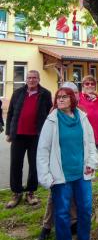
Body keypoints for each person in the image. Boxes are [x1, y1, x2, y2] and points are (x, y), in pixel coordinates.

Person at [37, 87, 98, 240]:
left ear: (72, 99)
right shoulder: (52, 120)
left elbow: (90, 142)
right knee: (62, 212)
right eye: (58, 97)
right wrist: (46, 177)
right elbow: (43, 150)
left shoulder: (82, 117)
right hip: (61, 176)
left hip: (82, 173)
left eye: (65, 97)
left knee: (85, 209)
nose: (61, 99)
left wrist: (91, 163)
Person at [38, 82, 78, 240]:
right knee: (55, 194)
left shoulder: (78, 112)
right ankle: (46, 226)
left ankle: (73, 222)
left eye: (75, 92)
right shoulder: (55, 112)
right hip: (59, 161)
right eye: (70, 93)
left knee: (74, 192)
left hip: (75, 160)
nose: (73, 95)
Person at [5, 70, 52, 208]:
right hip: (18, 135)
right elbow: (11, 113)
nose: (31, 80)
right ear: (26, 79)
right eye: (29, 78)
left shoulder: (45, 94)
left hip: (36, 136)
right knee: (16, 164)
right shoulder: (18, 93)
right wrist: (9, 132)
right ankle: (16, 192)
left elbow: (50, 114)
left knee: (34, 165)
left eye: (34, 78)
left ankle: (30, 193)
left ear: (39, 79)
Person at [78, 75, 98, 149]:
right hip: (81, 137)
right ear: (83, 86)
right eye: (87, 83)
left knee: (93, 159)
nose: (90, 85)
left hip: (95, 136)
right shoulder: (78, 98)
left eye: (92, 84)